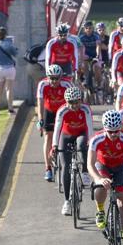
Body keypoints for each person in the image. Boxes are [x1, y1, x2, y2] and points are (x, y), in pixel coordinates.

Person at [88, 110, 123, 245]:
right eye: (111, 132)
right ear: (104, 128)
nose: (114, 134)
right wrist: (98, 179)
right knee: (100, 186)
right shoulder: (96, 139)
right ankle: (100, 210)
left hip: (121, 167)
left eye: (117, 131)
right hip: (103, 166)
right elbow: (90, 164)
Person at [52, 86, 93, 216]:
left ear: (81, 100)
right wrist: (54, 146)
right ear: (66, 102)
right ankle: (67, 202)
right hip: (66, 135)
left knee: (82, 145)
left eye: (76, 102)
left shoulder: (85, 109)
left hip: (81, 133)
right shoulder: (62, 111)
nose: (74, 105)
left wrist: (91, 142)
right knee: (65, 167)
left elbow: (90, 128)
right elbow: (57, 129)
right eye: (71, 103)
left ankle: (85, 172)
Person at [38, 65, 73, 181]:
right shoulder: (42, 85)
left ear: (61, 78)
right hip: (49, 111)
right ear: (47, 78)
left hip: (63, 112)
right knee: (48, 137)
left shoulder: (67, 85)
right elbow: (40, 103)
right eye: (51, 78)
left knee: (66, 134)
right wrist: (40, 119)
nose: (54, 81)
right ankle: (48, 168)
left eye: (56, 78)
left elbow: (75, 101)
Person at [0, 27, 17, 115]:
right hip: (9, 68)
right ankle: (10, 109)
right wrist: (13, 45)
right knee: (9, 89)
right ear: (5, 35)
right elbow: (15, 53)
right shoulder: (9, 44)